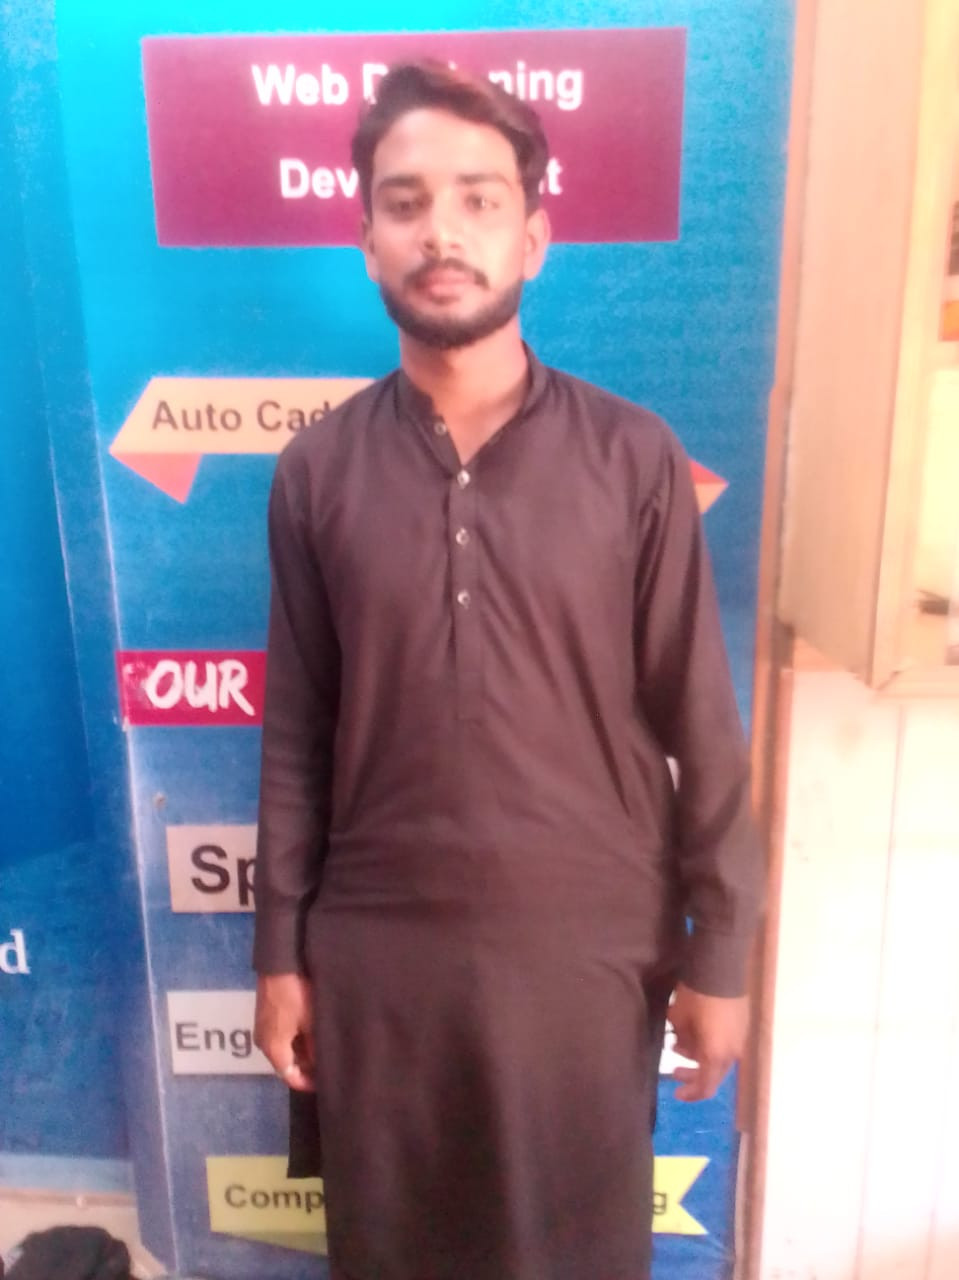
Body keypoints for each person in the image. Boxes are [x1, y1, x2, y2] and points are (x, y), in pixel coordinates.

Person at [253, 59, 763, 1280]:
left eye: (479, 200)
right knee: (392, 1250)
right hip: (380, 956)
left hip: (585, 954)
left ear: (532, 237)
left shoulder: (631, 457)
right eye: (405, 202)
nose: (442, 232)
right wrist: (279, 953)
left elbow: (700, 722)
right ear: (366, 241)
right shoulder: (316, 472)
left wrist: (721, 953)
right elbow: (296, 737)